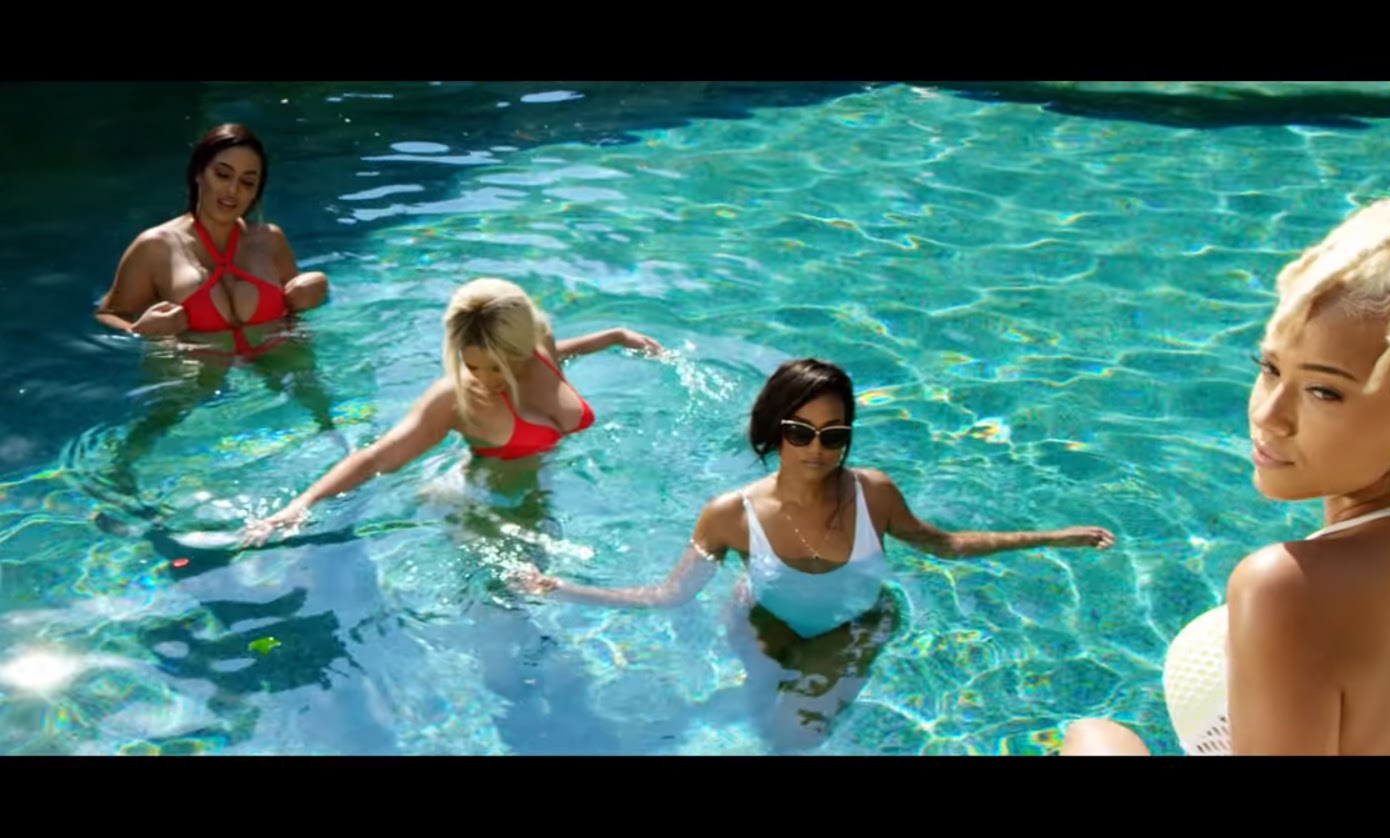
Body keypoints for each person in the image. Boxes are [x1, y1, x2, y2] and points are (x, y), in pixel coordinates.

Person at [1061, 195, 1390, 756]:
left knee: (1095, 738)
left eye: (1324, 391)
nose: (1269, 415)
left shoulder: (1285, 586)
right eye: (1270, 368)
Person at [512, 357, 1116, 749]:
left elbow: (947, 544)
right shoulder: (729, 514)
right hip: (761, 620)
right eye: (800, 432)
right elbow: (671, 594)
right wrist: (563, 588)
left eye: (834, 435)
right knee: (761, 715)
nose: (817, 449)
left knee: (793, 738)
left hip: (854, 625)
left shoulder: (873, 494)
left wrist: (1050, 537)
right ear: (775, 429)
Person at [237, 277, 663, 547]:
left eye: (498, 366)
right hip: (484, 506)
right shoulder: (454, 398)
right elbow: (376, 457)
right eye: (472, 364)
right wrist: (302, 503)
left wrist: (612, 337)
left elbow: (557, 356)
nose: (485, 379)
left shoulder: (539, 347)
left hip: (541, 495)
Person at [86, 123, 340, 515]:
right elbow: (107, 314)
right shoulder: (156, 247)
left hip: (278, 353)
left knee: (325, 419)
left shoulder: (269, 240)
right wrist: (140, 330)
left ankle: (340, 466)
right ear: (198, 173)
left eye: (247, 182)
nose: (233, 190)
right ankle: (118, 483)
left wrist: (312, 296)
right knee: (155, 427)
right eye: (223, 174)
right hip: (196, 366)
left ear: (256, 191)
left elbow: (294, 303)